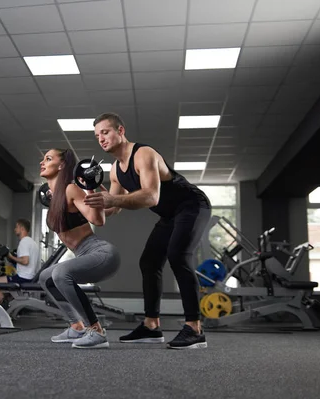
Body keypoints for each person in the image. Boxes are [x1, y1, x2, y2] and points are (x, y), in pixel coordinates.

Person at [85, 112, 212, 350]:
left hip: (192, 204)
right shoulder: (115, 170)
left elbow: (152, 196)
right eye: (97, 136)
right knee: (149, 262)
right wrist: (93, 192)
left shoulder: (143, 154)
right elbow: (114, 207)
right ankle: (151, 326)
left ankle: (194, 329)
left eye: (105, 132)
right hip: (170, 215)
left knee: (177, 255)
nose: (101, 139)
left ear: (120, 131)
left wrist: (112, 199)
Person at [37, 148, 120, 349]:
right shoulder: (55, 197)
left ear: (62, 165)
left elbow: (97, 219)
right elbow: (107, 211)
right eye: (43, 159)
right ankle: (77, 326)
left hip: (100, 252)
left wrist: (91, 188)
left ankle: (96, 331)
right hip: (83, 253)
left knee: (60, 273)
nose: (42, 162)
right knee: (45, 278)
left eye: (48, 158)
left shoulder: (70, 189)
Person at [0, 219, 40, 309]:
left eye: (16, 227)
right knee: (1, 283)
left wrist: (10, 255)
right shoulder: (32, 242)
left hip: (23, 277)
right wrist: (10, 257)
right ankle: (7, 304)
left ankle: (4, 309)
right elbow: (24, 261)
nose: (14, 229)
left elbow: (25, 261)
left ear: (22, 228)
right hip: (30, 276)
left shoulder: (24, 242)